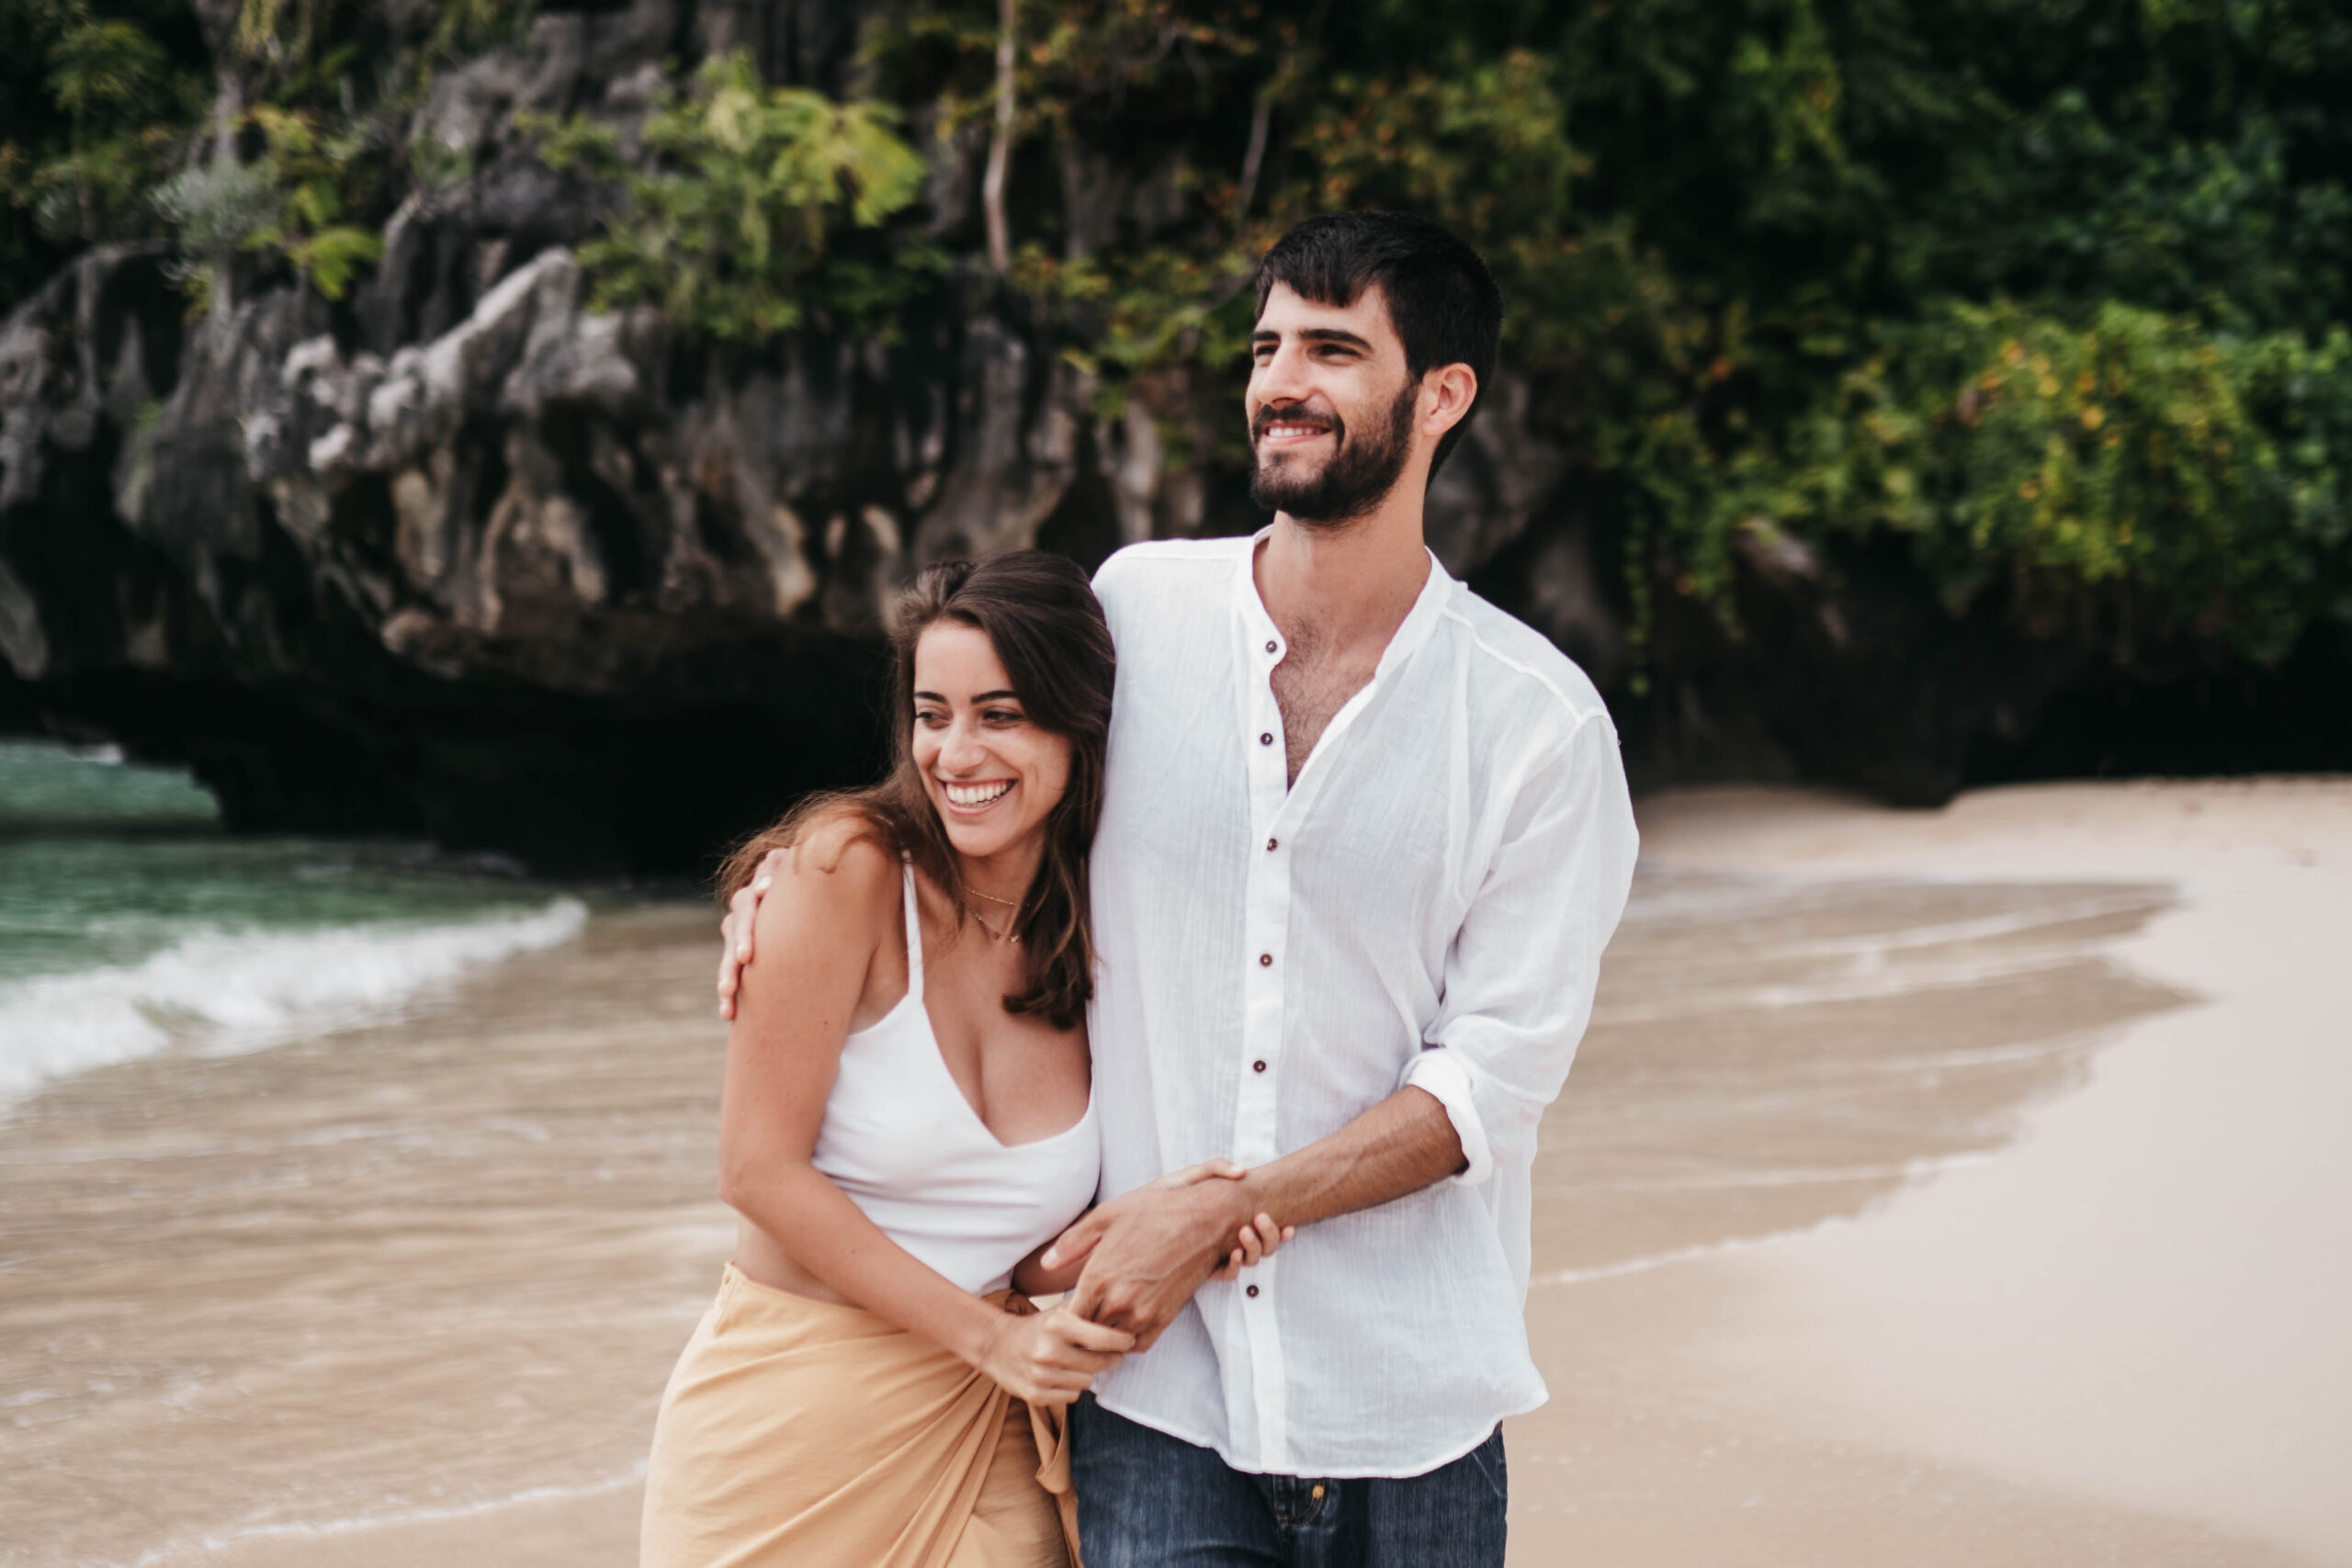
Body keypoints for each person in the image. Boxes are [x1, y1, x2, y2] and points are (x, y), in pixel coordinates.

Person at [721, 211, 1640, 1567]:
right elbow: (987, 789)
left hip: (1409, 1407)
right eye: (1268, 345)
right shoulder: (1136, 611)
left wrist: (1221, 1203)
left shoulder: (1538, 726)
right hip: (1153, 1400)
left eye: (1334, 349)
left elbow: (1488, 1083)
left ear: (1442, 394)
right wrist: (793, 872)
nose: (1281, 380)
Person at [648, 549, 1288, 1568]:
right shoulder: (845, 870)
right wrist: (996, 1339)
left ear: (1079, 727)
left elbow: (1014, 1240)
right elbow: (756, 1172)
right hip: (786, 1429)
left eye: (1000, 713)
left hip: (981, 1428)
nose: (955, 752)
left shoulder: (1098, 930)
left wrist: (1169, 1226)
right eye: (931, 712)